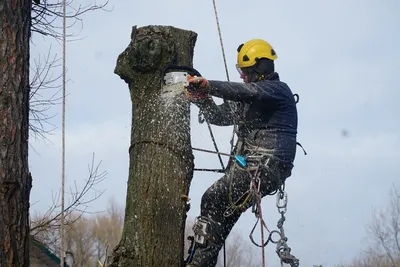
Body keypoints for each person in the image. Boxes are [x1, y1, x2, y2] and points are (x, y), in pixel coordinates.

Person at [185, 39, 299, 267]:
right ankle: (198, 262)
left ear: (260, 69)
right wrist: (203, 100)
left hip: (267, 166)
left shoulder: (277, 91)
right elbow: (219, 117)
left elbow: (249, 92)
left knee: (212, 197)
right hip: (251, 167)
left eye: (245, 71)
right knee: (220, 216)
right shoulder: (247, 98)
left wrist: (209, 85)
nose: (242, 76)